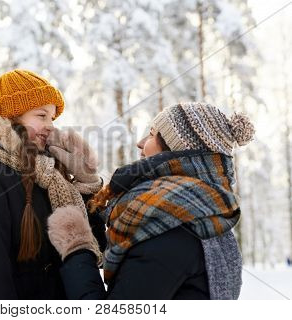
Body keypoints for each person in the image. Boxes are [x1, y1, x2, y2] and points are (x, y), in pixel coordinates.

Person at [47, 102, 255, 299]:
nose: (140, 142)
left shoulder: (170, 231)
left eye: (152, 134)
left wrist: (76, 249)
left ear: (176, 151)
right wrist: (88, 186)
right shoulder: (203, 215)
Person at [0, 69, 105, 299]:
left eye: (52, 118)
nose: (50, 126)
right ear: (13, 116)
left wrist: (87, 185)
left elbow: (95, 248)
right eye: (41, 115)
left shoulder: (50, 176)